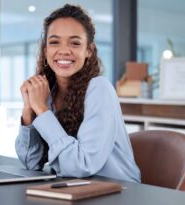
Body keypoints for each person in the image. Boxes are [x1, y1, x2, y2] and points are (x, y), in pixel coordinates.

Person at [15, 4, 140, 183]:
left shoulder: (100, 89)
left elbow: (81, 165)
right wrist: (29, 110)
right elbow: (31, 163)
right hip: (76, 189)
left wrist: (42, 110)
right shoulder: (48, 93)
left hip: (118, 192)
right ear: (45, 50)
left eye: (75, 43)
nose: (64, 50)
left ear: (88, 50)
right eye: (54, 42)